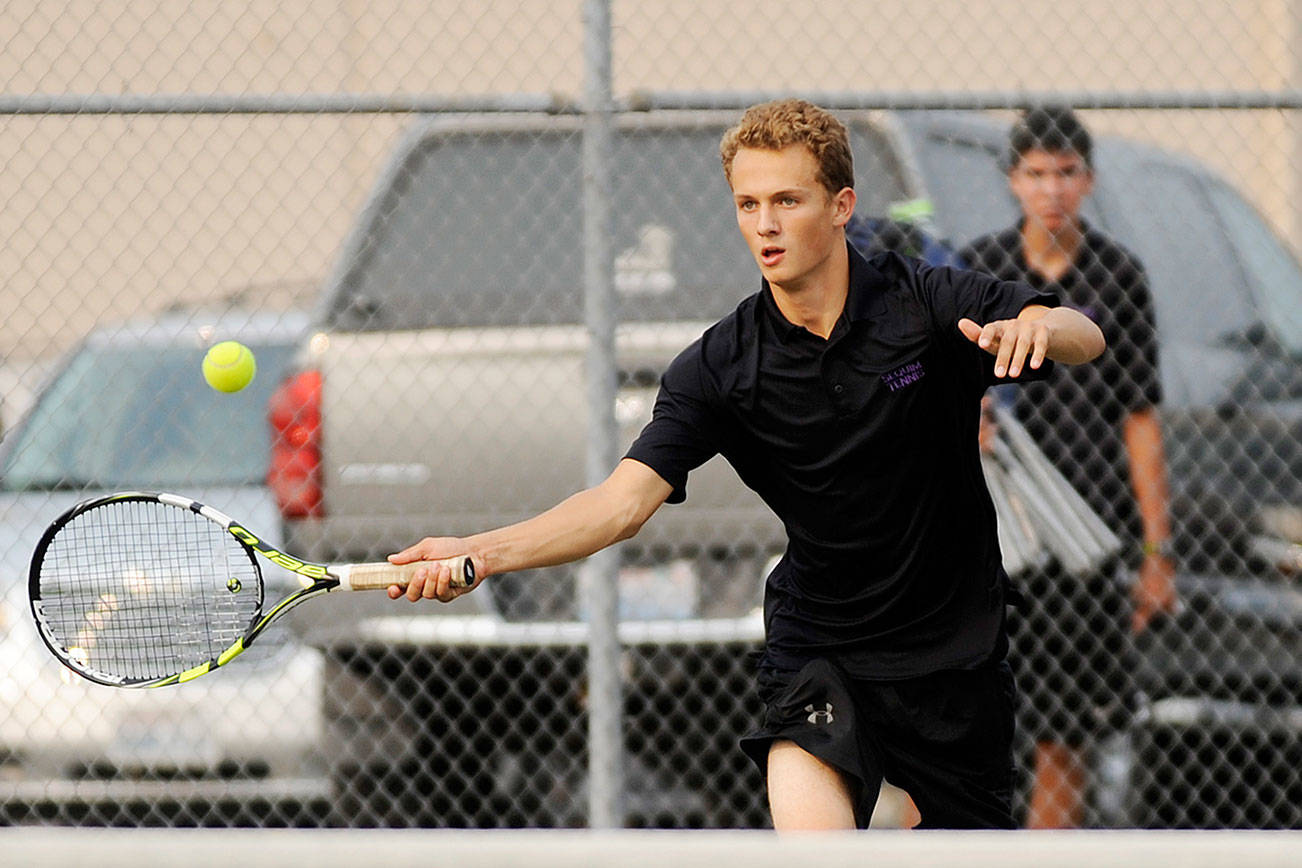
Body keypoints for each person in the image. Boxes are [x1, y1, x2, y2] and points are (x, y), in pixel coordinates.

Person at [386, 99, 1104, 830]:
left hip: (954, 657)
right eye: (748, 204)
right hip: (823, 652)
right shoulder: (720, 367)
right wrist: (476, 553)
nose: (765, 224)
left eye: (787, 200)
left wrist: (1038, 324)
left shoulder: (923, 302)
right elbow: (619, 505)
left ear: (840, 206)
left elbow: (1084, 333)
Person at [959, 106, 1177, 828]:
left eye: (1065, 172)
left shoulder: (1118, 274)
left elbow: (1140, 417)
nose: (1051, 189)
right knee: (962, 724)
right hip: (993, 539)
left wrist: (1155, 550)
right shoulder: (980, 267)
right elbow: (925, 385)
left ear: (1088, 179)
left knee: (1062, 733)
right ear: (1012, 181)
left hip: (1084, 543)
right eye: (1035, 173)